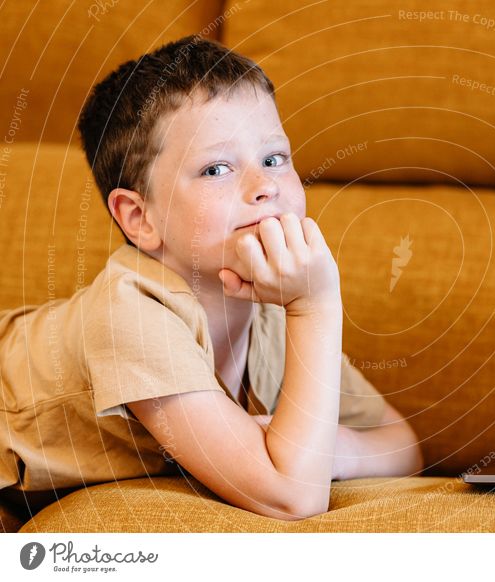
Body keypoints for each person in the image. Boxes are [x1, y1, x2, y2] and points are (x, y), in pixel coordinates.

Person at [0, 35, 423, 521]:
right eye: (217, 168)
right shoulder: (131, 318)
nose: (263, 186)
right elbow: (292, 497)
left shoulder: (268, 306)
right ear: (139, 218)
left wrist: (334, 450)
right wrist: (316, 307)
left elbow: (404, 447)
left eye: (273, 159)